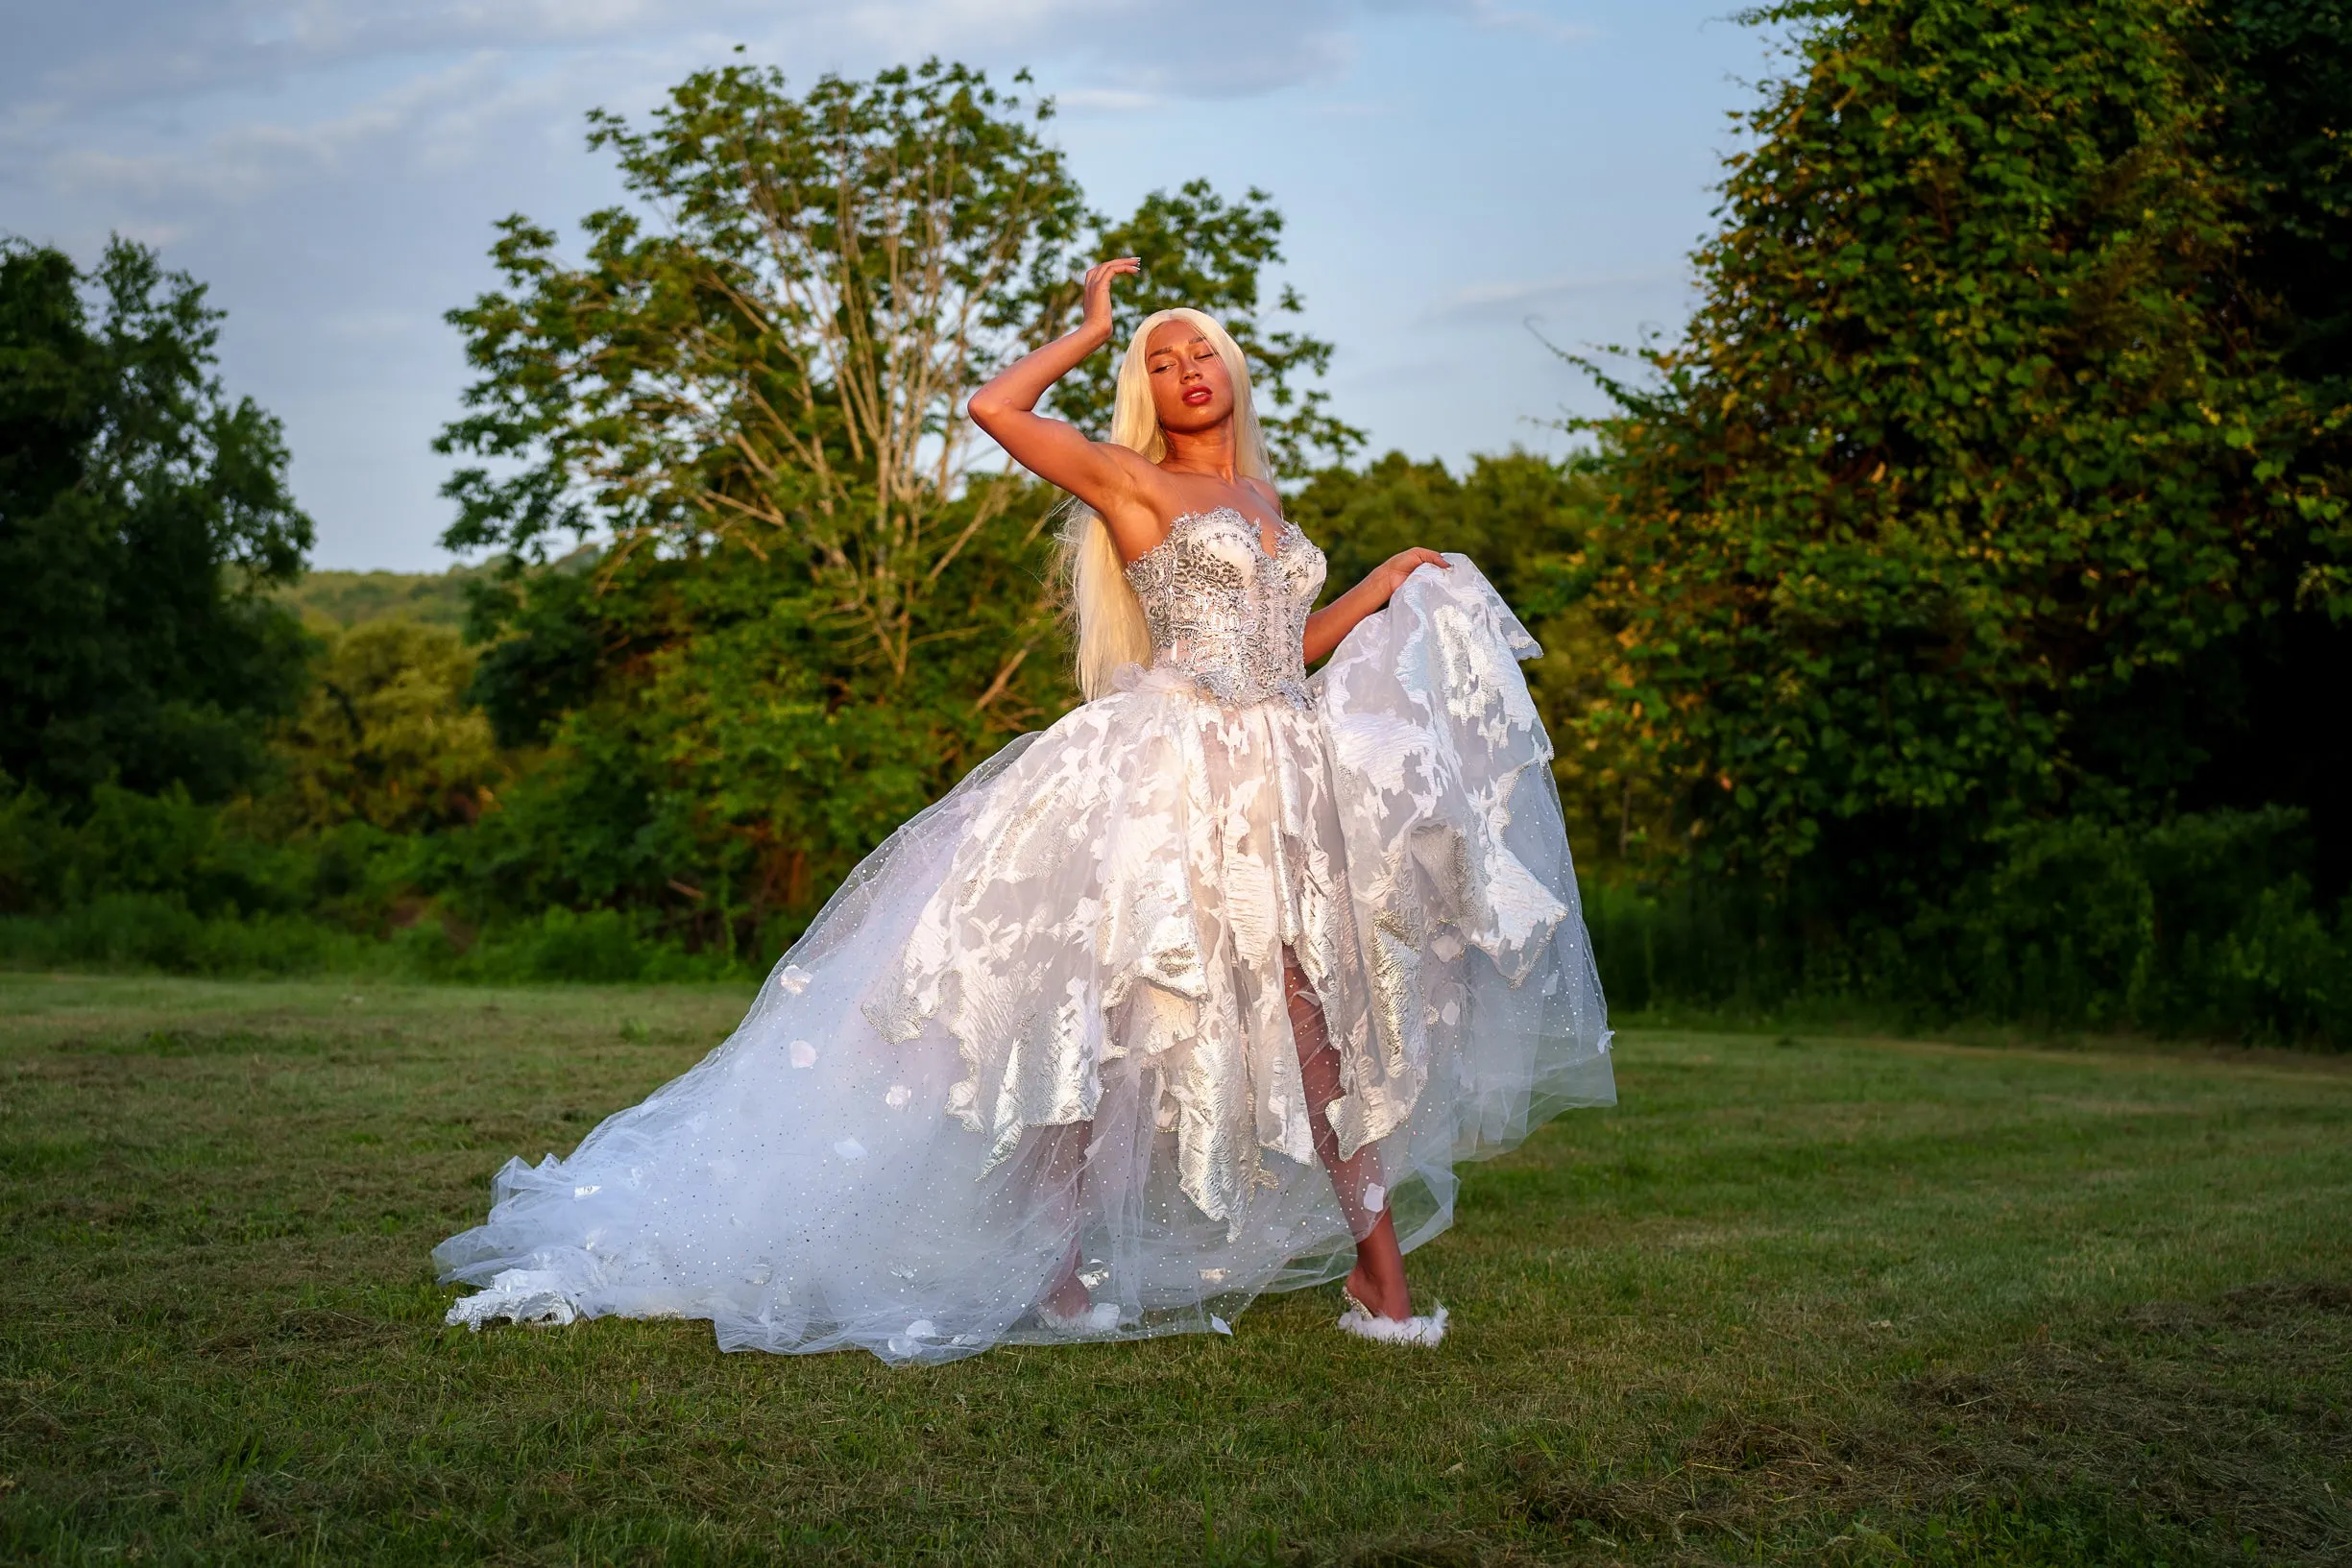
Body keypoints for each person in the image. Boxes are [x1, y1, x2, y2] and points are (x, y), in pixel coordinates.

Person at [435, 259, 1615, 1363]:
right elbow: (997, 411)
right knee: (1096, 1017)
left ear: (1233, 370)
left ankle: (1377, 1277)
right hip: (1165, 771)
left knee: (1321, 1018)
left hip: (1283, 771)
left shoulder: (1256, 492)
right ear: (1141, 389)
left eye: (1200, 352)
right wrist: (1093, 327)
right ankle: (1050, 1264)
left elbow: (1283, 653)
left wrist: (1381, 583)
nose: (1187, 371)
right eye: (1160, 360)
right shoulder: (1130, 476)